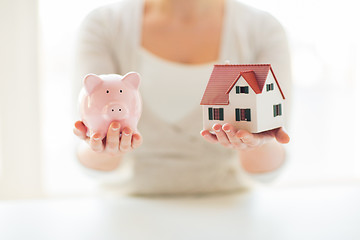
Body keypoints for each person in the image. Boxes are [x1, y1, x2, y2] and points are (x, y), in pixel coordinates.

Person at [73, 0, 292, 195]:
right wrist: (102, 146)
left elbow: (268, 168)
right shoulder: (104, 25)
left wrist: (258, 142)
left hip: (228, 209)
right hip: (129, 208)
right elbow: (89, 159)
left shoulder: (263, 29)